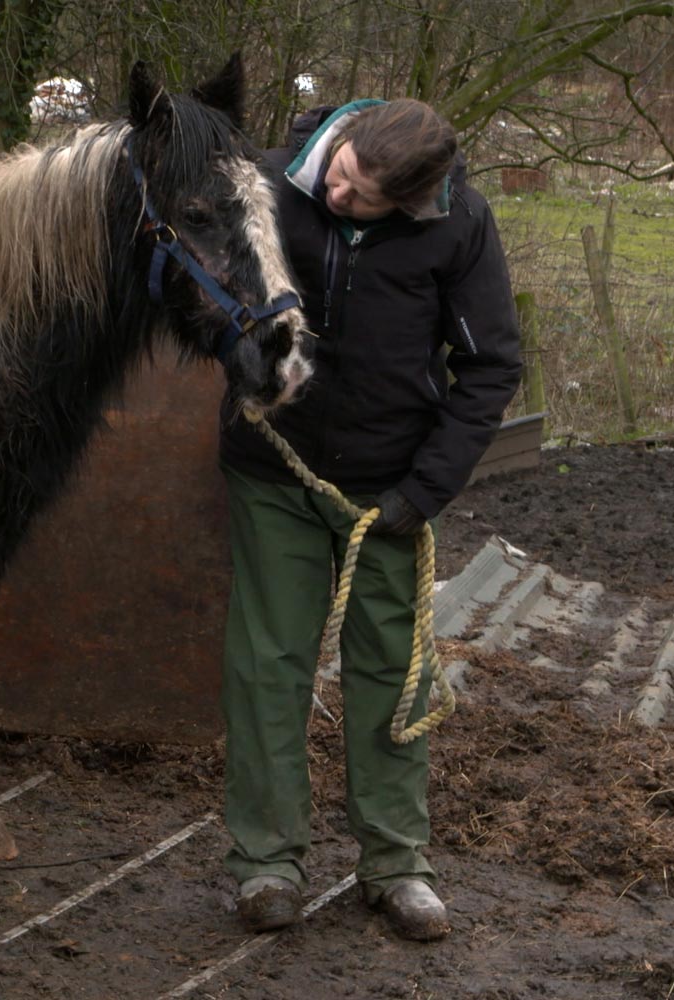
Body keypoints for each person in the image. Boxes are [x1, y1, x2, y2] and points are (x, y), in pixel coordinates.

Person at [217, 98, 523, 940]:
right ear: (340, 142)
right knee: (267, 662)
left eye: (367, 198)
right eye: (342, 175)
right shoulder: (273, 186)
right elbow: (211, 298)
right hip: (276, 466)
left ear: (417, 200)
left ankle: (395, 863)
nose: (343, 197)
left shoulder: (457, 225)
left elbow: (491, 365)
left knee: (392, 671)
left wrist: (424, 493)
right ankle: (267, 861)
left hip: (390, 484)